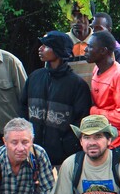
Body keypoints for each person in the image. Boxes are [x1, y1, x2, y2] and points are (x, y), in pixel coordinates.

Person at [19, 30, 90, 167]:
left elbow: (81, 120)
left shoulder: (77, 85)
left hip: (64, 159)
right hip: (33, 154)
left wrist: (67, 145)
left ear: (58, 50)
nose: (40, 49)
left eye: (46, 46)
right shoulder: (34, 77)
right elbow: (23, 107)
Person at [86, 30, 120, 165]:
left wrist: (94, 112)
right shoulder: (96, 70)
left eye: (90, 47)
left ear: (103, 51)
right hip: (107, 142)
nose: (85, 50)